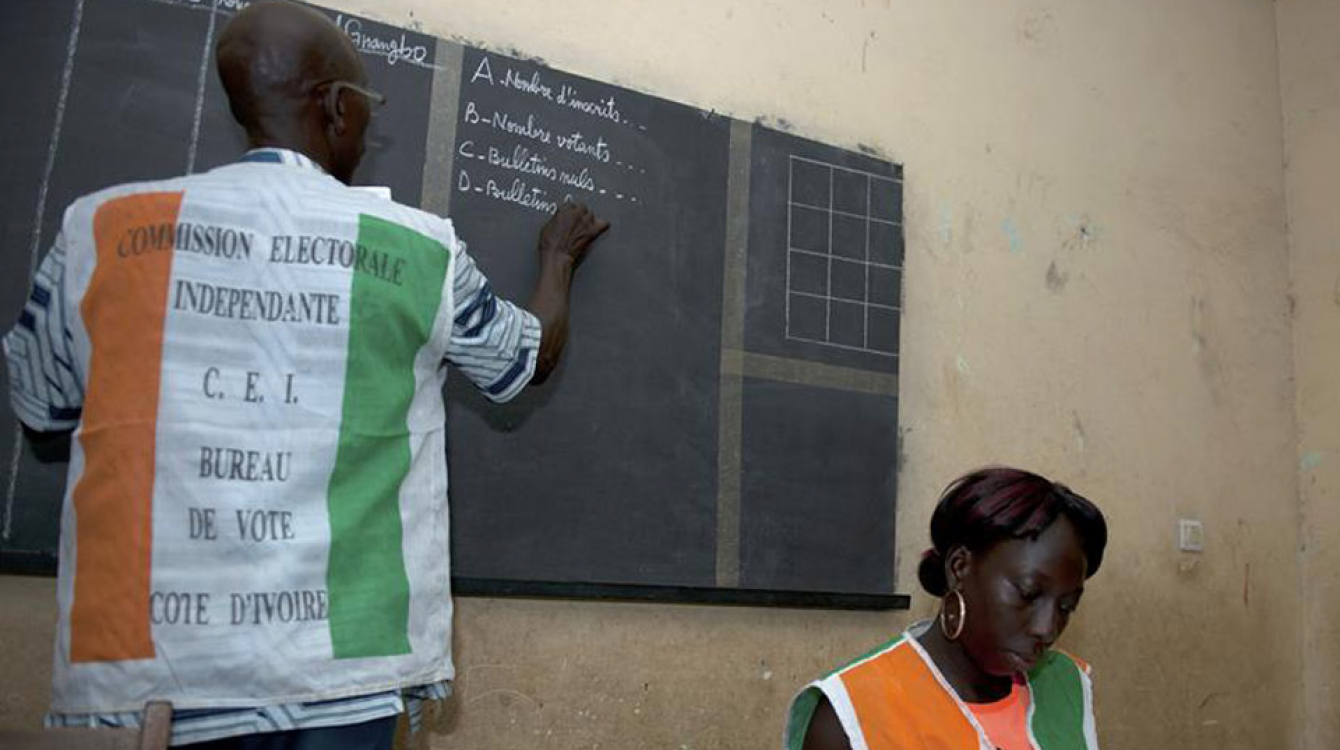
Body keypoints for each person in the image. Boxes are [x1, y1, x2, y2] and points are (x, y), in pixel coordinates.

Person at [1, 1, 608, 747]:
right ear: (333, 105)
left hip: (146, 677)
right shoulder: (419, 251)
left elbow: (41, 411)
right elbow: (526, 359)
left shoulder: (101, 230)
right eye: (367, 105)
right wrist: (556, 262)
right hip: (345, 675)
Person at [786, 467, 1108, 750]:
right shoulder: (852, 715)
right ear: (959, 567)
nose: (1047, 628)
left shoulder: (1066, 686)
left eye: (1067, 606)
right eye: (1027, 594)